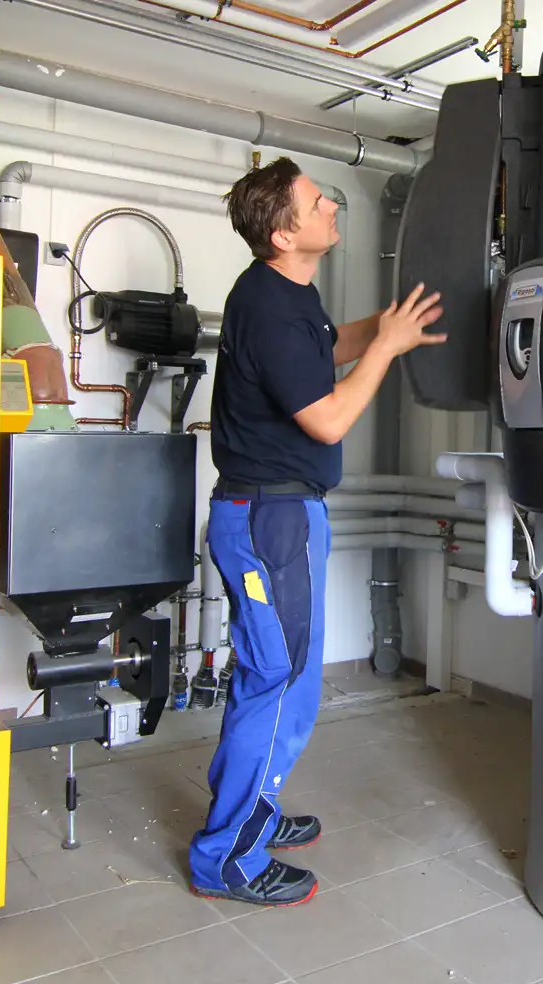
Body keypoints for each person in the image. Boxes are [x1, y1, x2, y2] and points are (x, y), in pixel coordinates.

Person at [187, 157, 445, 907]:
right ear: (282, 232)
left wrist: (387, 328)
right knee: (280, 681)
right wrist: (387, 350)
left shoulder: (285, 292)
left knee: (278, 676)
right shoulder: (268, 305)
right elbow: (327, 417)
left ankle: (251, 814)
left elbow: (323, 351)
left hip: (279, 514)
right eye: (315, 201)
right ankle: (226, 858)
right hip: (269, 519)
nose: (332, 205)